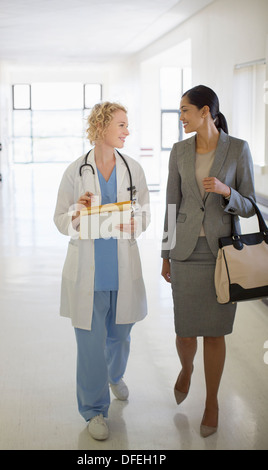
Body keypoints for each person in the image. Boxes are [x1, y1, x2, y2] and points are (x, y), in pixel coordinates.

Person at [161, 85, 256, 437]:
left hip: (222, 255)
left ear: (205, 112)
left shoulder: (238, 149)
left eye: (184, 110)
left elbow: (251, 205)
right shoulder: (179, 150)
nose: (180, 117)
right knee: (185, 334)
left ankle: (211, 401)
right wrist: (165, 254)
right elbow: (171, 204)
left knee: (215, 334)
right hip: (184, 253)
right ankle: (187, 369)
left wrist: (226, 191)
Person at [54, 101, 150, 440]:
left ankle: (114, 375)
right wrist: (77, 215)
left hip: (123, 271)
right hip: (88, 275)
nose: (127, 131)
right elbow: (61, 219)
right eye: (122, 125)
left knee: (120, 337)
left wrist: (134, 219)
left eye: (127, 125)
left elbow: (146, 214)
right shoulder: (75, 171)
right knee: (90, 346)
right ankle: (94, 411)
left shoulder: (133, 168)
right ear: (102, 127)